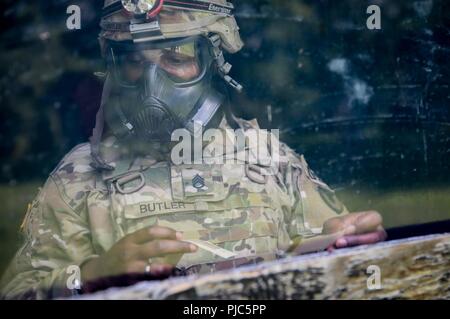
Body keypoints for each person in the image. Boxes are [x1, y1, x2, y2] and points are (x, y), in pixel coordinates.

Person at [0, 0, 386, 299]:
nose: (151, 82)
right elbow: (19, 291)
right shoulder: (80, 177)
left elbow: (333, 258)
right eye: (133, 60)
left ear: (213, 61)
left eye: (176, 57)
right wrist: (92, 277)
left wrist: (345, 243)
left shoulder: (268, 160)